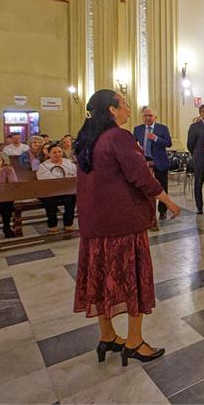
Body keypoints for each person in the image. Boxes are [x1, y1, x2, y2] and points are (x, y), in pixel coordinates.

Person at [73, 89, 180, 366]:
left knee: (101, 278)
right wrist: (168, 201)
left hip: (95, 225)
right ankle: (134, 341)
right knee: (133, 279)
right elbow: (140, 174)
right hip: (122, 223)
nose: (129, 109)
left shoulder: (88, 138)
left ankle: (107, 335)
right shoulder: (118, 137)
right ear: (111, 109)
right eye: (124, 104)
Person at [133, 108, 173, 220]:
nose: (147, 118)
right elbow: (132, 143)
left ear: (155, 117)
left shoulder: (162, 128)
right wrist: (137, 148)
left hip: (160, 161)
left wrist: (155, 138)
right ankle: (146, 210)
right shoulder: (138, 129)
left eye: (150, 115)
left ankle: (162, 211)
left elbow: (168, 143)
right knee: (145, 187)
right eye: (145, 115)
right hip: (144, 162)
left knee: (162, 187)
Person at [36, 142, 77, 232]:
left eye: (59, 152)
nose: (58, 154)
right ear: (49, 154)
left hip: (67, 190)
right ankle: (52, 224)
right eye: (54, 153)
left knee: (71, 199)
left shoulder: (69, 163)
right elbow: (43, 180)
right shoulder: (43, 166)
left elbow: (74, 176)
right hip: (50, 191)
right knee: (50, 201)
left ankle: (68, 223)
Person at [186, 104, 204, 214]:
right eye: (203, 111)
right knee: (199, 183)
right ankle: (199, 206)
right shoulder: (195, 126)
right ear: (200, 113)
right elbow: (190, 144)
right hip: (200, 158)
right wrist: (196, 154)